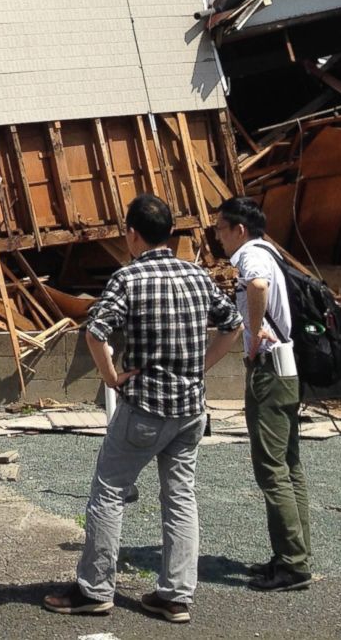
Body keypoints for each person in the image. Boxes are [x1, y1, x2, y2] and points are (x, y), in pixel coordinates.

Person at [44, 194, 243, 623]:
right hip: (190, 409)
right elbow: (233, 325)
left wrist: (112, 377)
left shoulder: (127, 278)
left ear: (132, 234)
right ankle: (174, 595)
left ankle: (95, 589)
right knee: (180, 498)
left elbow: (96, 333)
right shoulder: (197, 275)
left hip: (146, 405)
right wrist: (201, 366)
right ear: (170, 233)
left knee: (109, 492)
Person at [214, 196, 312, 592]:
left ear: (239, 229)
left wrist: (254, 341)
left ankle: (293, 564)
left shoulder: (252, 255)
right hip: (287, 368)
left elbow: (256, 285)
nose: (217, 236)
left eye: (220, 228)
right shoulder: (271, 252)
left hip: (269, 368)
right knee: (289, 464)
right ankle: (293, 554)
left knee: (271, 468)